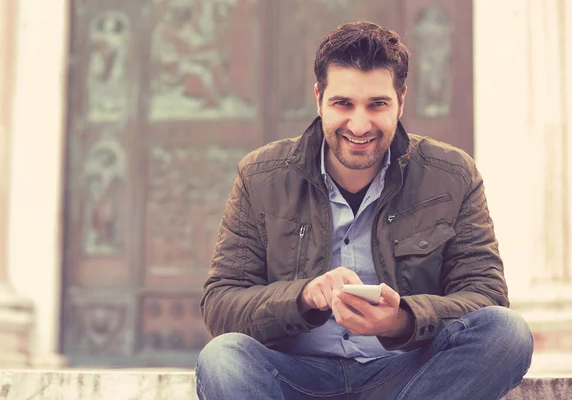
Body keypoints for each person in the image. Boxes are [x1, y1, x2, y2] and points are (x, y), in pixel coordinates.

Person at [196, 21, 533, 400]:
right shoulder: (260, 176)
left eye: (377, 104)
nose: (359, 124)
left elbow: (485, 295)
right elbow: (222, 303)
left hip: (410, 378)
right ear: (319, 98)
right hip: (295, 378)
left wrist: (403, 320)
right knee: (222, 358)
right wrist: (303, 297)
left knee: (507, 332)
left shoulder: (453, 174)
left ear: (401, 101)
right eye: (343, 103)